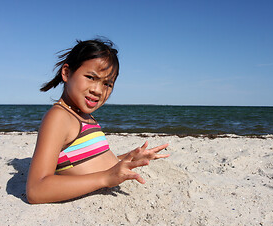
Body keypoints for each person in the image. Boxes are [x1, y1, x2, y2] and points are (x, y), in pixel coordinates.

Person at [26, 39, 169, 204]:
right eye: (90, 77)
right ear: (66, 73)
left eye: (107, 84)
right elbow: (36, 189)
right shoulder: (59, 117)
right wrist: (106, 179)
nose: (98, 90)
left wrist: (129, 159)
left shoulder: (84, 116)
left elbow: (89, 160)